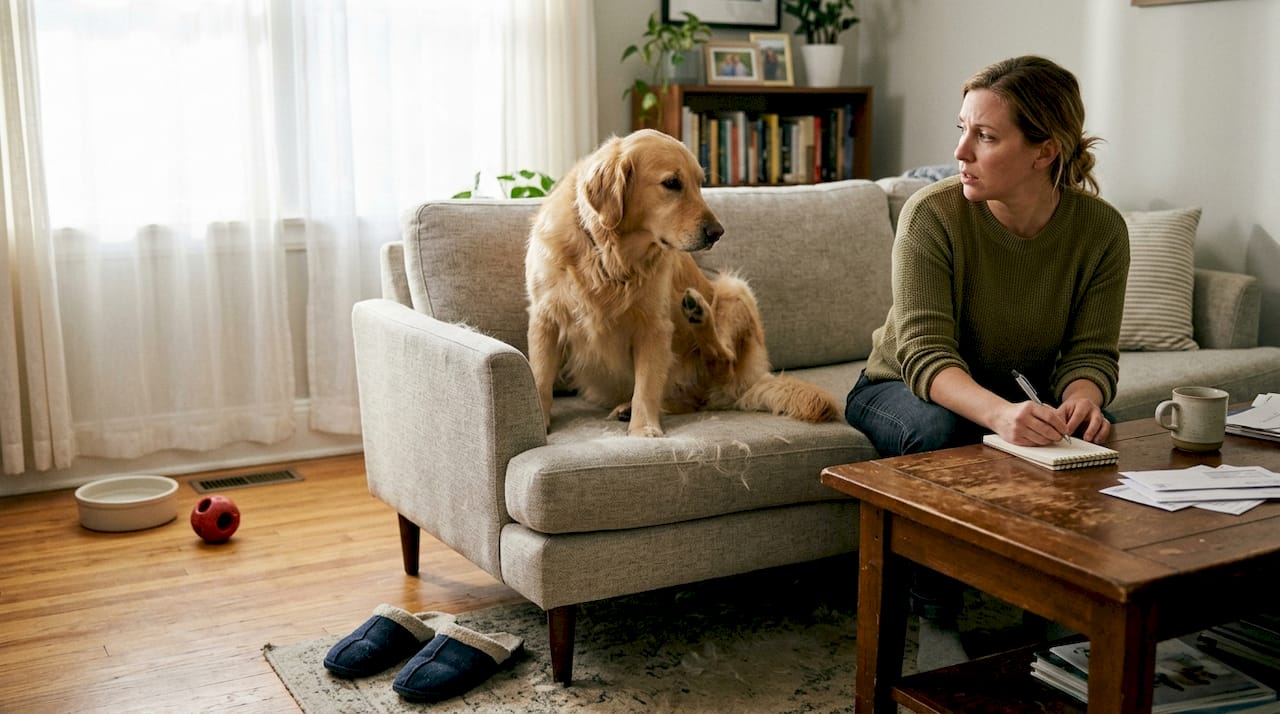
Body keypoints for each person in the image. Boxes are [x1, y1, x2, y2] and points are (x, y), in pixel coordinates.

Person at [844, 55, 1129, 668]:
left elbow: (1090, 352)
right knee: (948, 433)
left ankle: (1060, 608)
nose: (961, 152)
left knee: (1089, 437)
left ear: (1044, 152)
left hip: (1009, 385)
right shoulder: (932, 215)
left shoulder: (1101, 230)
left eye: (985, 135)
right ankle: (937, 618)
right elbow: (925, 354)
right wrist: (1002, 416)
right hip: (900, 385)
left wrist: (1083, 399)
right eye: (962, 129)